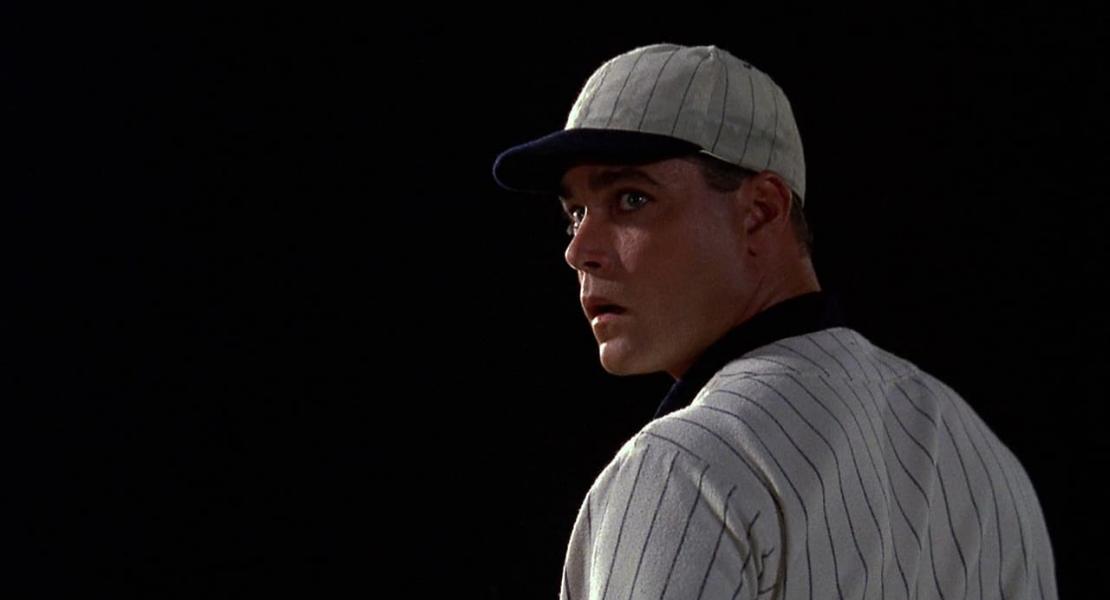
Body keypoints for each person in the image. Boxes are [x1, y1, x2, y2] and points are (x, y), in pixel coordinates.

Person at [492, 43, 1056, 600]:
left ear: (760, 211)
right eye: (575, 214)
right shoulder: (982, 456)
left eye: (631, 199)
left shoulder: (681, 466)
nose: (579, 250)